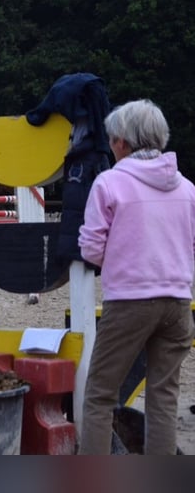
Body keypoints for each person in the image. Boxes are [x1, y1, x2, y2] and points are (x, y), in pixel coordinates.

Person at [77, 99, 195, 455]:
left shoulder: (109, 183)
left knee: (99, 395)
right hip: (178, 302)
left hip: (129, 300)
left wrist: (115, 259)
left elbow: (91, 247)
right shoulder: (187, 188)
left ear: (122, 143)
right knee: (164, 396)